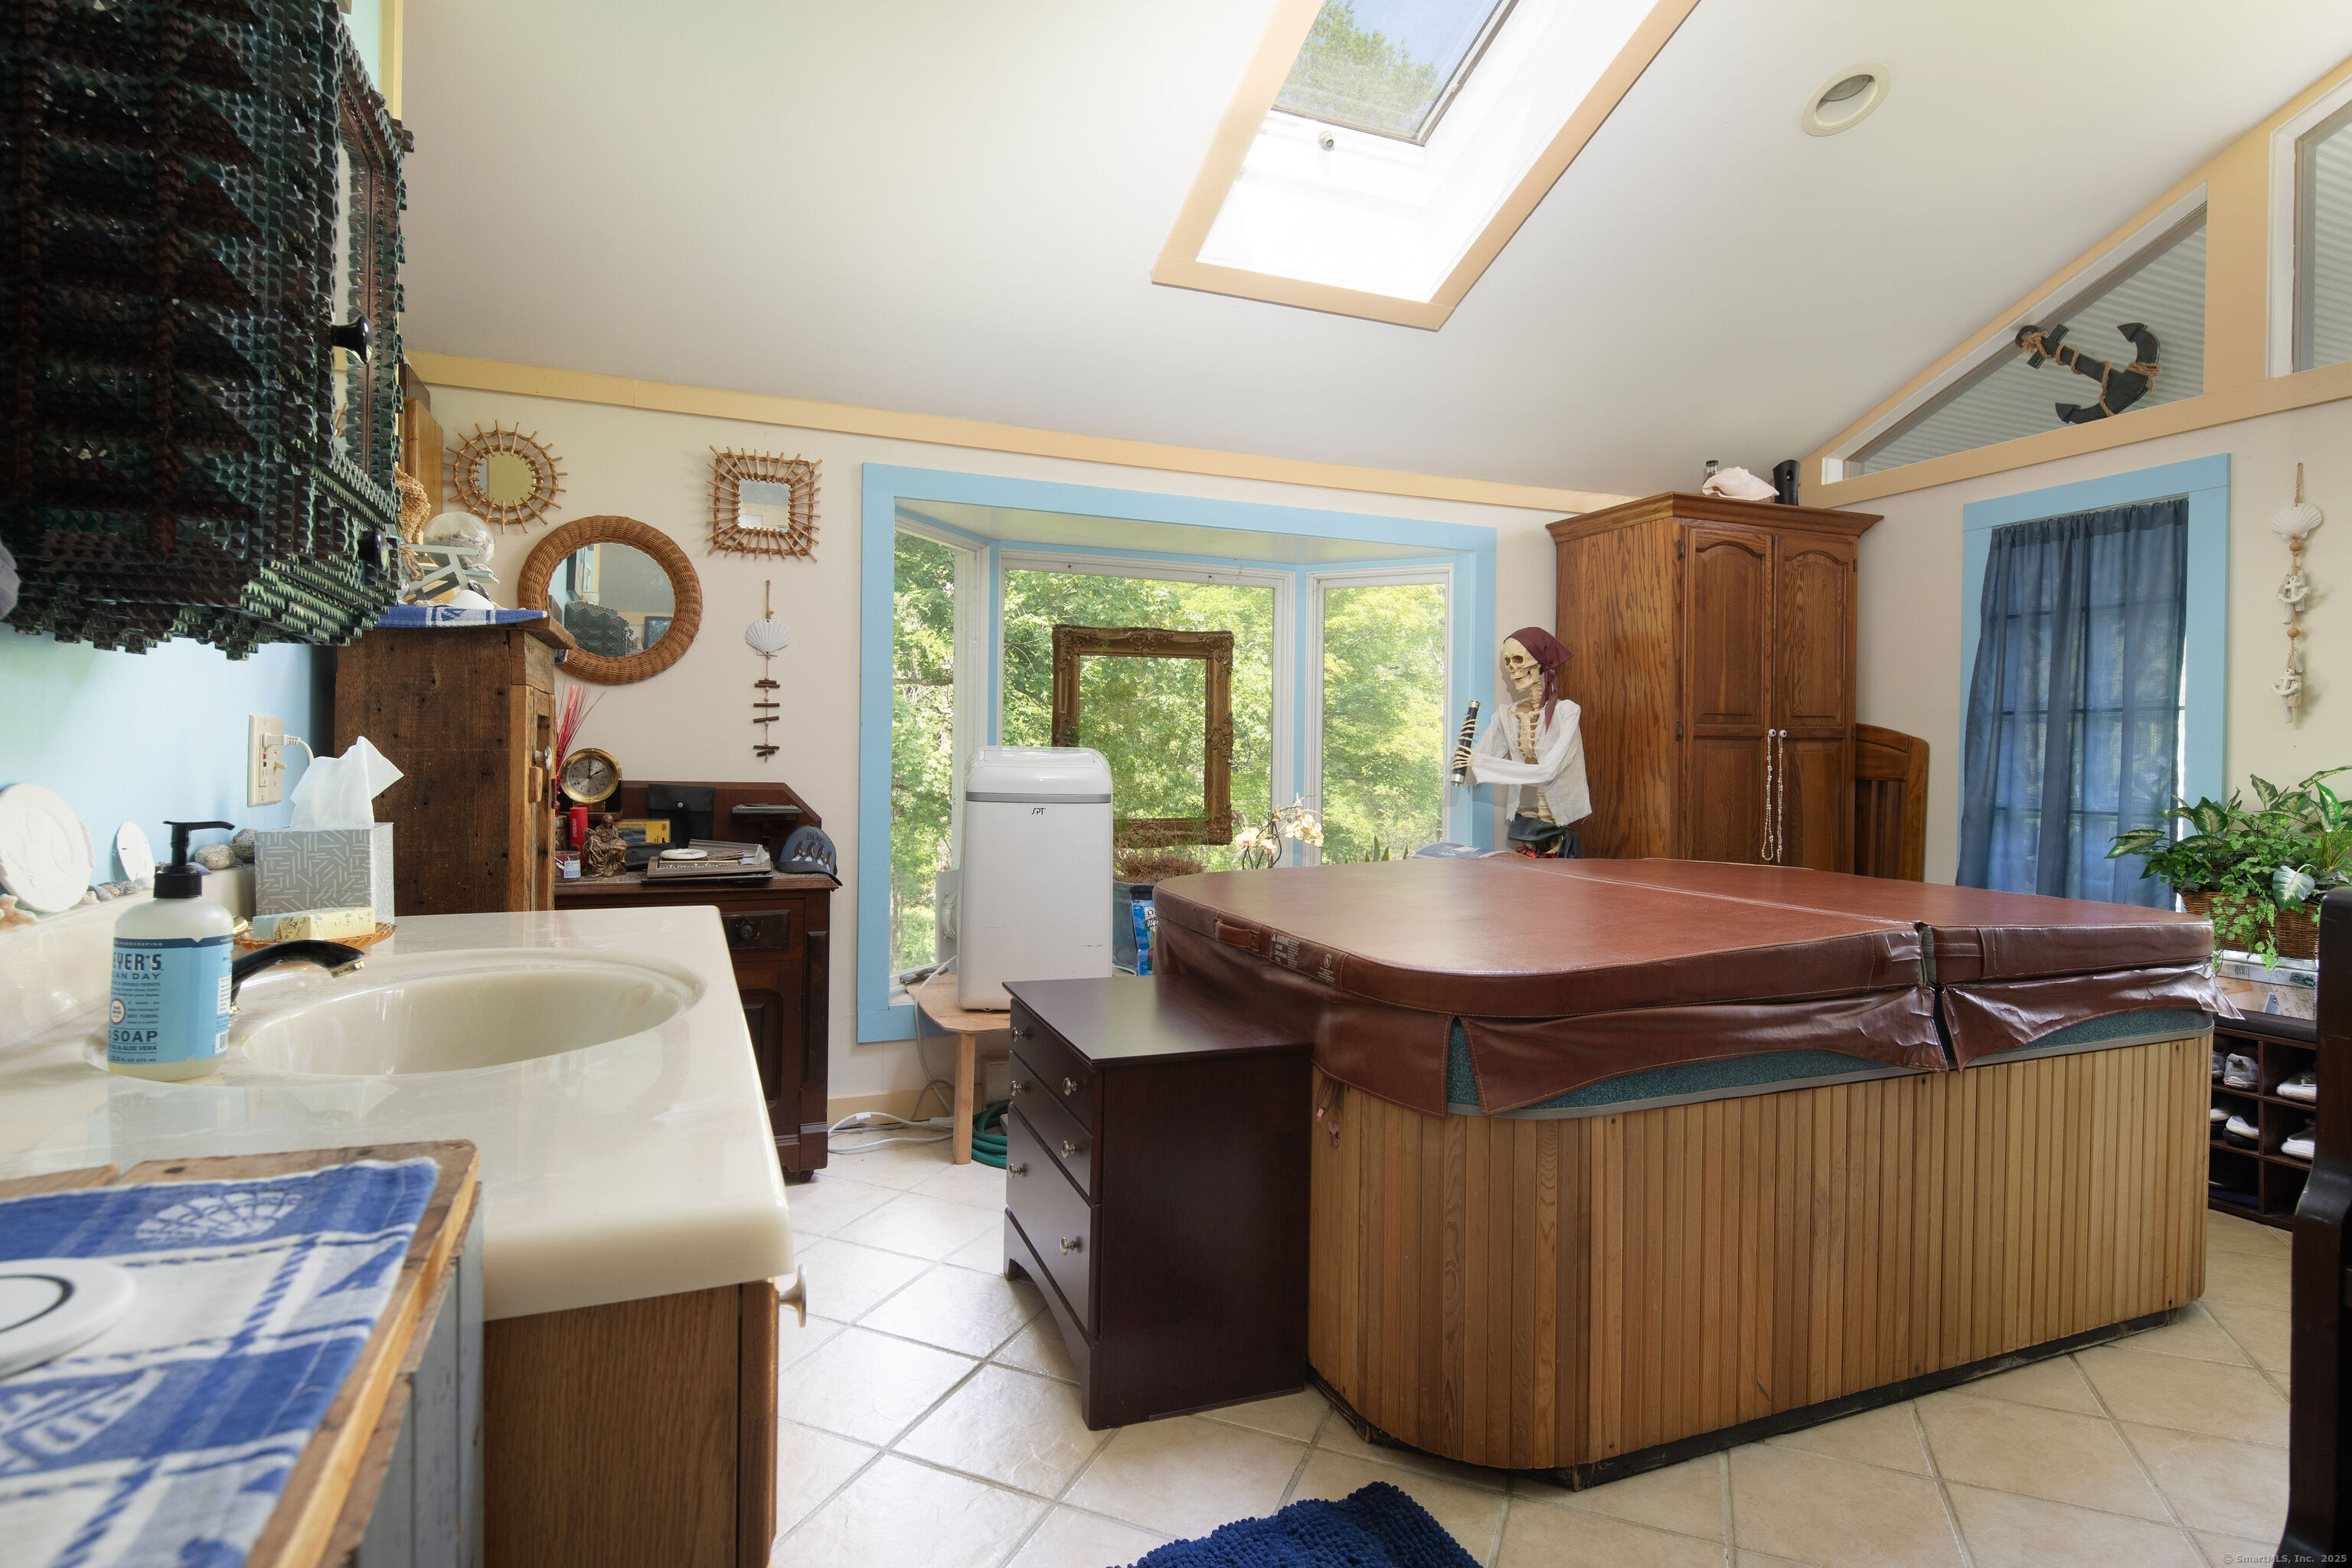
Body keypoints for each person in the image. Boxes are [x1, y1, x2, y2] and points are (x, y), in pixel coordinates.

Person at [1453, 626, 1591, 854]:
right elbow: (1472, 774)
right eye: (1508, 662)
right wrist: (1461, 753)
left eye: (1518, 660)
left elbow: (1547, 772)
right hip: (1525, 829)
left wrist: (1478, 762)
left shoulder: (1567, 712)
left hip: (1557, 831)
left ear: (1540, 663)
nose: (1512, 670)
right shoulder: (1506, 715)